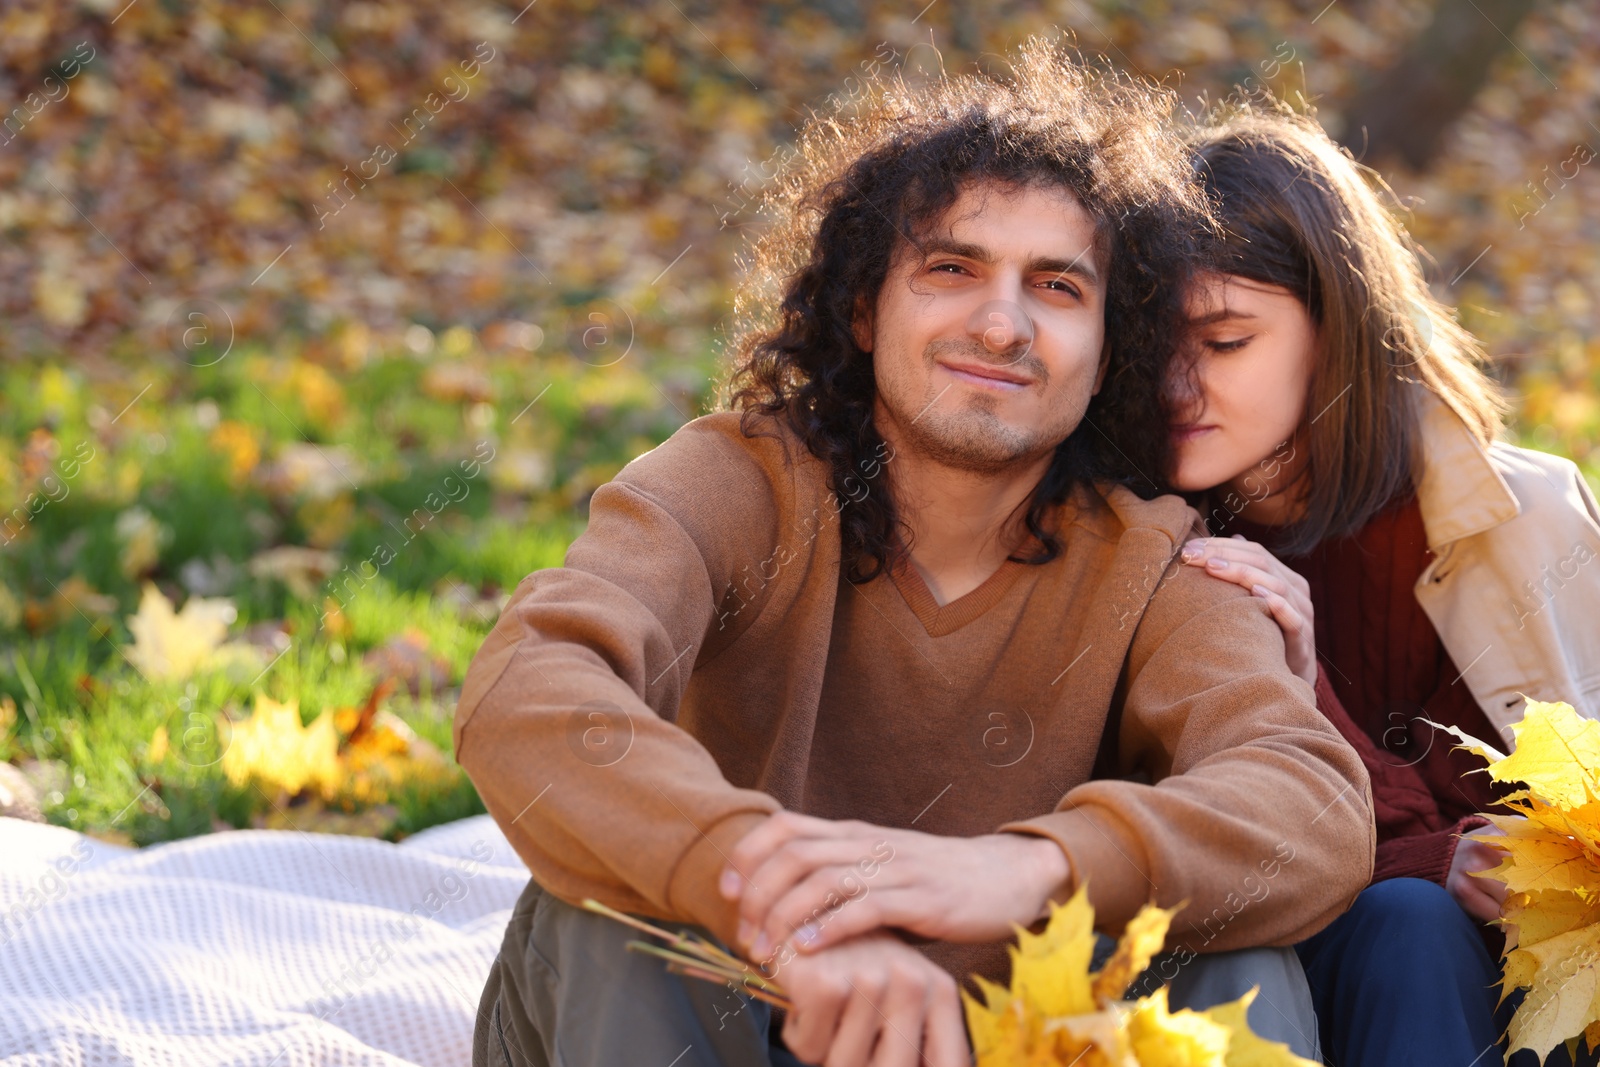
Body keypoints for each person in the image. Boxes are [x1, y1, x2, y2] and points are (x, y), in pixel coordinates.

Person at [455, 44, 1374, 1067]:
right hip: (731, 1013)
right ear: (863, 306)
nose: (1001, 321)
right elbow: (528, 684)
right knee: (600, 911)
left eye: (1058, 287)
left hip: (994, 1039)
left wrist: (1021, 871)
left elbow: (1311, 806)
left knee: (1229, 956)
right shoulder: (740, 483)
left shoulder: (1151, 560)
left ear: (1109, 345)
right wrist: (767, 893)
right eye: (951, 269)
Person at [1166, 107, 1600, 1066]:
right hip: (1267, 969)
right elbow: (1184, 837)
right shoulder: (1152, 533)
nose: (1175, 387)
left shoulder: (1528, 518)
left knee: (1425, 924)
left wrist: (1520, 863)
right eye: (1149, 345)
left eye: (1225, 341)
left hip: (1527, 1001)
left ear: (1340, 331)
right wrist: (1428, 856)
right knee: (1407, 915)